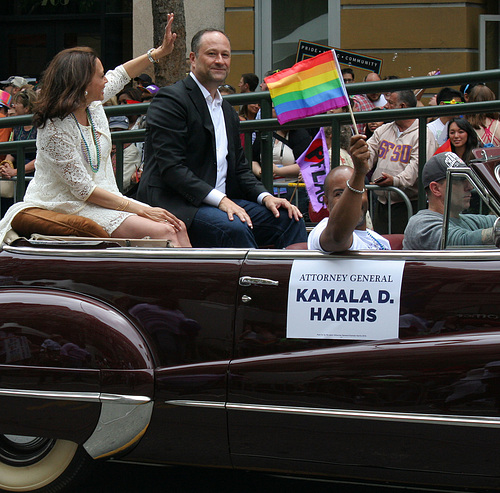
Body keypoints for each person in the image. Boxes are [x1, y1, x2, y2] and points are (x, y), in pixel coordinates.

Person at [0, 13, 191, 247]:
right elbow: (84, 191)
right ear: (81, 84)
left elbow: (121, 74)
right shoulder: (54, 129)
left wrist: (158, 53)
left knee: (177, 225)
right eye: (100, 76)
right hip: (67, 204)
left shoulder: (92, 103)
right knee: (166, 231)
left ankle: (194, 284)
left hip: (99, 199)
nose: (105, 81)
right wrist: (142, 208)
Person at [138, 28, 306, 248]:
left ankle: (287, 282)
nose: (220, 61)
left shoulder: (227, 110)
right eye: (211, 54)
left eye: (225, 55)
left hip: (222, 203)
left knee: (289, 219)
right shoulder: (171, 99)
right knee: (235, 228)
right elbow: (172, 168)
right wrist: (222, 201)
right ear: (193, 58)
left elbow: (240, 169)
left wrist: (267, 197)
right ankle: (250, 281)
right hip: (179, 204)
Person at [368, 89, 438, 234]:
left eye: (390, 103)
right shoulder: (384, 130)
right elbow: (368, 154)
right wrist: (359, 155)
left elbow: (416, 168)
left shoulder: (423, 134)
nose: (385, 106)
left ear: (403, 106)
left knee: (403, 248)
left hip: (408, 205)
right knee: (382, 248)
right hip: (382, 204)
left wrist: (395, 181)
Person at [308, 134, 390, 253]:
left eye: (359, 191)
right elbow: (337, 238)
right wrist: (359, 174)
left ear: (366, 194)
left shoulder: (381, 241)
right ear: (327, 202)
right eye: (339, 194)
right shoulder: (321, 230)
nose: (351, 199)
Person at [403, 152, 496, 249]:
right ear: (436, 189)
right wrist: (495, 233)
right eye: (459, 179)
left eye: (468, 179)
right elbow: (460, 242)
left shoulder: (467, 220)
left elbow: (494, 221)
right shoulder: (420, 224)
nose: (470, 187)